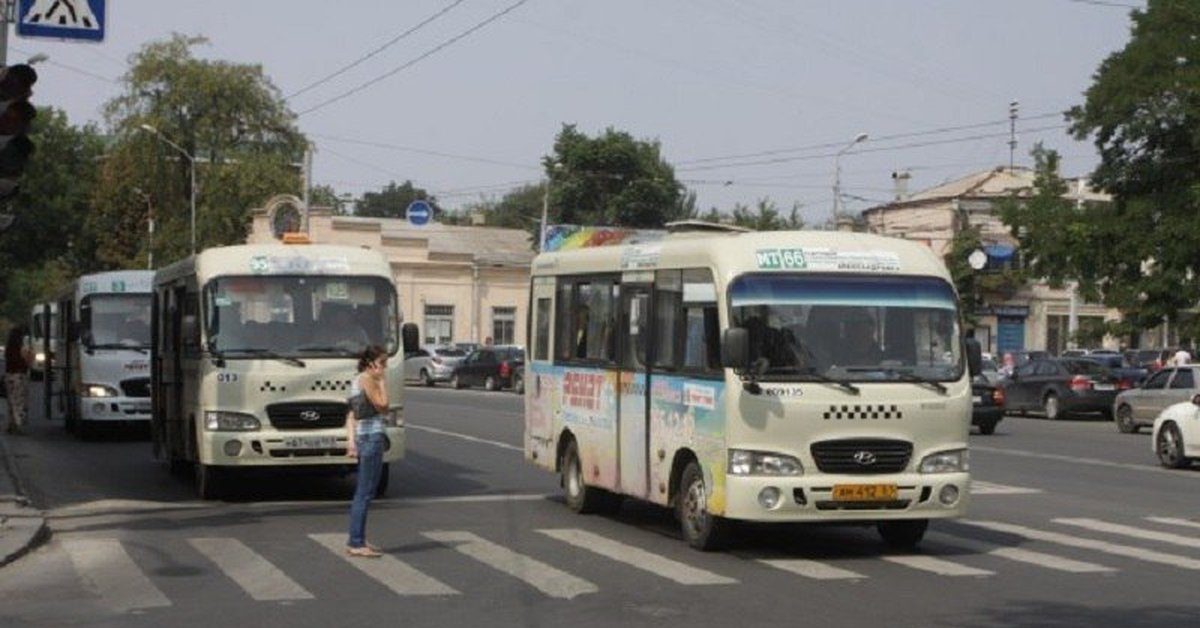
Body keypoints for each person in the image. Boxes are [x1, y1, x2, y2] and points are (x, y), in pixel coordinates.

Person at [345, 345, 389, 558]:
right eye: (382, 363)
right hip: (371, 438)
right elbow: (383, 405)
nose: (384, 368)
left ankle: (358, 539)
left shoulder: (357, 380)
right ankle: (356, 542)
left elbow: (351, 416)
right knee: (364, 492)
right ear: (371, 363)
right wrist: (382, 383)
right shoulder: (368, 380)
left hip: (365, 438)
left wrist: (351, 442)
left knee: (365, 492)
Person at [4, 326, 33, 435]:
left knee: (11, 401)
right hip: (19, 376)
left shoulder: (9, 349)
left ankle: (11, 424)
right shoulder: (21, 349)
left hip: (9, 376)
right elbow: (26, 362)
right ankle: (18, 425)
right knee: (19, 402)